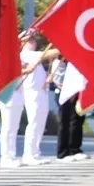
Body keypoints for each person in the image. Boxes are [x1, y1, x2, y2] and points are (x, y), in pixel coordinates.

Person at [19, 35, 56, 166]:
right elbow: (50, 54)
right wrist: (62, 45)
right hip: (31, 92)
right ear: (22, 42)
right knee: (34, 122)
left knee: (40, 123)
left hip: (41, 91)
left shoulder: (34, 56)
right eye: (29, 40)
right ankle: (28, 154)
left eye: (33, 39)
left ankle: (35, 152)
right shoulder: (25, 55)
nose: (33, 41)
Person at [54, 59, 88, 161]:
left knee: (77, 120)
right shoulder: (58, 62)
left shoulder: (74, 61)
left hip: (75, 92)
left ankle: (74, 149)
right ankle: (62, 152)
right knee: (64, 122)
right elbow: (58, 80)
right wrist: (69, 91)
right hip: (64, 93)